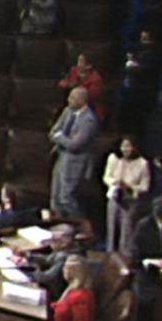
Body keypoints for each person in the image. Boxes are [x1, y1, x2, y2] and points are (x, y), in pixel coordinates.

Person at [47, 87, 100, 221]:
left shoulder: (89, 120)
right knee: (55, 198)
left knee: (66, 199)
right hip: (61, 158)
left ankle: (81, 225)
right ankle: (59, 227)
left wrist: (60, 137)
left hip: (75, 163)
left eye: (72, 98)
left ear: (82, 100)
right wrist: (62, 138)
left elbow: (75, 145)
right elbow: (53, 132)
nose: (68, 100)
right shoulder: (67, 111)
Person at [103, 135, 150, 251]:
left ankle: (125, 255)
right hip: (114, 197)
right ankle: (110, 253)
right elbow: (106, 177)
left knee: (127, 230)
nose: (126, 149)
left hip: (130, 201)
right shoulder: (113, 158)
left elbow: (145, 186)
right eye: (124, 146)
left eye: (129, 146)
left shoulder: (143, 163)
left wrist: (130, 187)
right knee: (112, 228)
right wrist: (115, 182)